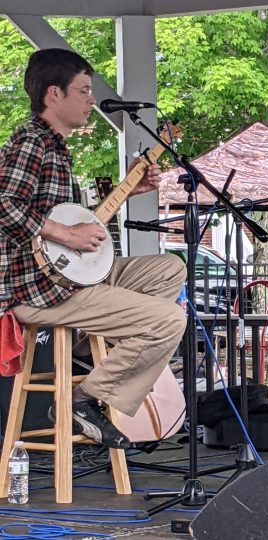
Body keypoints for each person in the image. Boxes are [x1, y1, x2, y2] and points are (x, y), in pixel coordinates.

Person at [0, 48, 187, 449]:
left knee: (170, 268)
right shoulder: (32, 143)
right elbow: (4, 204)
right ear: (54, 94)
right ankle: (87, 398)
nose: (90, 100)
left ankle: (99, 347)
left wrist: (130, 189)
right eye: (83, 90)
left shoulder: (57, 148)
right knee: (169, 320)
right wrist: (66, 236)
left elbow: (70, 222)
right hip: (40, 291)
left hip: (67, 279)